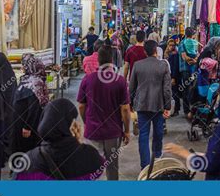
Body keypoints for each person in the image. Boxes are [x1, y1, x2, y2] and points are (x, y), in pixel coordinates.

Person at [77, 45, 131, 180]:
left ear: (98, 60)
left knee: (91, 167)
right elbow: (125, 109)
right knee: (112, 167)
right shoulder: (120, 81)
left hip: (93, 131)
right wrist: (127, 130)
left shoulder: (87, 79)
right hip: (113, 132)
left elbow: (81, 107)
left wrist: (87, 122)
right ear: (112, 60)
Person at [16, 99, 104, 180]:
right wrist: (76, 143)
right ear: (73, 125)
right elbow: (100, 168)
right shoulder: (91, 155)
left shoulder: (30, 160)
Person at [129, 40, 172, 169]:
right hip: (158, 105)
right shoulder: (163, 66)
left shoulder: (137, 65)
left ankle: (145, 167)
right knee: (158, 133)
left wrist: (131, 103)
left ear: (144, 51)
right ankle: (157, 158)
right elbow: (167, 89)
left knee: (143, 136)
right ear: (156, 50)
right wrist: (168, 106)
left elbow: (131, 88)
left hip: (142, 105)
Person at [11, 54, 49, 154]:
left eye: (24, 65)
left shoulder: (35, 84)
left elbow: (34, 108)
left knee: (26, 149)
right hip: (20, 123)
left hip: (27, 127)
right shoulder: (27, 79)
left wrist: (28, 127)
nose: (22, 67)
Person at [194, 37, 220, 105]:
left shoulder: (211, 50)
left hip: (206, 76)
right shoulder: (208, 51)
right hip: (203, 76)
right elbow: (205, 63)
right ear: (215, 44)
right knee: (203, 92)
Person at [164, 39, 181, 116]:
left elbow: (175, 67)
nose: (171, 46)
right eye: (170, 45)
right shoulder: (166, 53)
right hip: (167, 76)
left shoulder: (175, 54)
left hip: (173, 76)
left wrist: (173, 78)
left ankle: (176, 109)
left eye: (173, 45)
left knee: (174, 93)